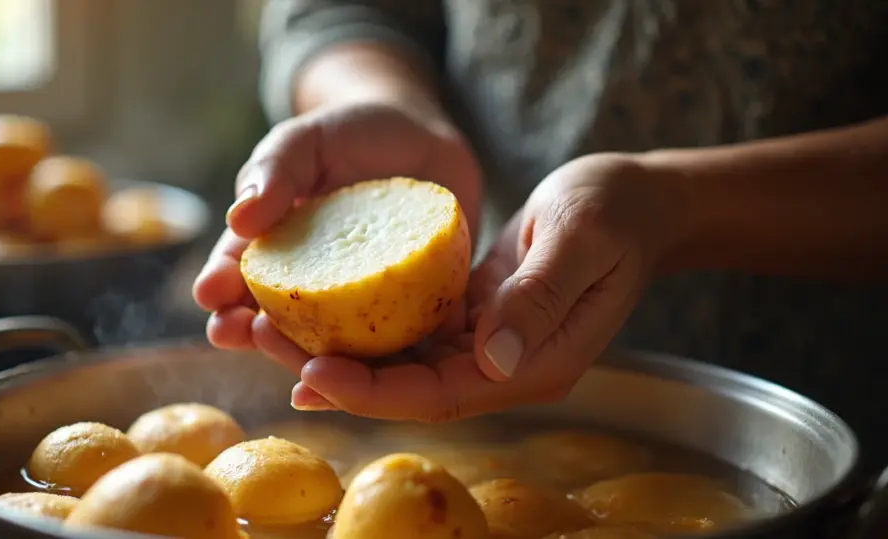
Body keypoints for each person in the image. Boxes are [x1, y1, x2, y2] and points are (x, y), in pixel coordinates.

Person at [195, 1, 888, 460]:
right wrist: (376, 100)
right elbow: (348, 10)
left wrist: (677, 207)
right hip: (484, 345)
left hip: (836, 407)